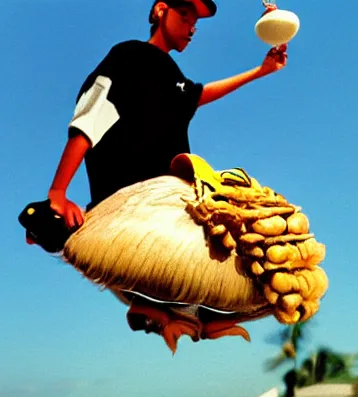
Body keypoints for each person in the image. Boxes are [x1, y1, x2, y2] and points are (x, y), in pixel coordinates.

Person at [47, 0, 288, 229]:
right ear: (161, 10)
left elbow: (197, 95)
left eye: (195, 24)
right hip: (128, 202)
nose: (191, 29)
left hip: (171, 205)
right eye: (185, 16)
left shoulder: (171, 75)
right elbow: (92, 113)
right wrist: (58, 191)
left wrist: (262, 70)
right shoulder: (130, 54)